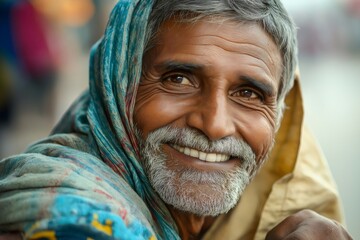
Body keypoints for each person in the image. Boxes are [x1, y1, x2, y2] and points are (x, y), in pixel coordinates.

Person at [0, 0, 353, 239]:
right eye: (179, 79)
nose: (215, 125)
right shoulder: (69, 213)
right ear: (119, 86)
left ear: (277, 115)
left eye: (248, 94)